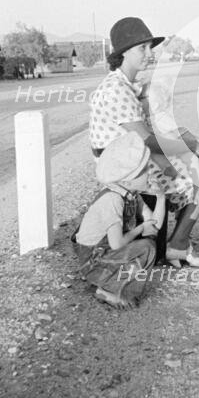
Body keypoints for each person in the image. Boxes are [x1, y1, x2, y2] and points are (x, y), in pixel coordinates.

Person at [89, 17, 199, 268]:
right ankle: (178, 246)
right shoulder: (117, 90)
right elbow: (148, 140)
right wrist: (191, 147)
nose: (150, 54)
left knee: (193, 155)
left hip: (130, 161)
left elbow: (154, 132)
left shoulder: (125, 84)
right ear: (124, 53)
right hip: (125, 170)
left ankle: (176, 240)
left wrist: (188, 141)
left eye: (151, 47)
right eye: (143, 48)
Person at [73, 132, 164, 309]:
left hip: (105, 252)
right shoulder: (113, 199)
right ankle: (112, 291)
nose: (149, 173)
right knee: (146, 248)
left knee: (148, 244)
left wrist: (161, 198)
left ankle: (109, 284)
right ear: (127, 181)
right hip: (93, 260)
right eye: (144, 170)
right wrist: (140, 229)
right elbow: (116, 243)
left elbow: (154, 226)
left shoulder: (130, 194)